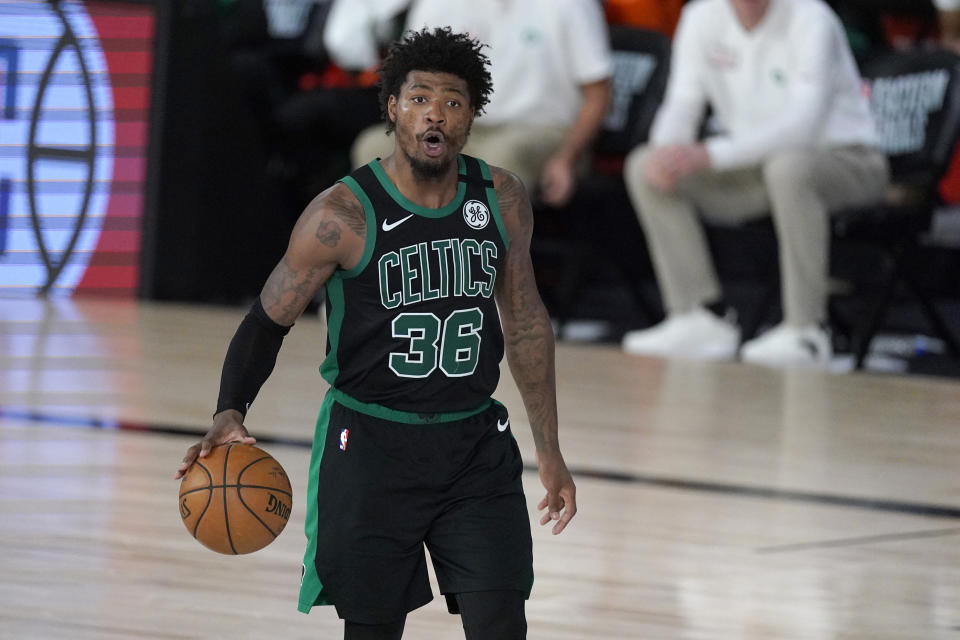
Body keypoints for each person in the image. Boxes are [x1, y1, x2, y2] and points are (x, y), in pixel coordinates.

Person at [174, 27, 576, 640]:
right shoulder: (342, 215)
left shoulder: (500, 197)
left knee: (501, 623)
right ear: (392, 108)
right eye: (418, 98)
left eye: (452, 101)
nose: (433, 114)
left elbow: (523, 322)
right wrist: (230, 409)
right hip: (368, 450)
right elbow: (268, 319)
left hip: (473, 447)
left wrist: (548, 447)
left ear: (470, 117)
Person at [620, 0, 890, 368]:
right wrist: (667, 151)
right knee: (643, 166)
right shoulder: (700, 18)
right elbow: (683, 101)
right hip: (756, 164)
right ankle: (699, 316)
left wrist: (711, 154)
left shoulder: (812, 18)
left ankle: (807, 330)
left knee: (789, 169)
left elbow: (803, 125)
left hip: (848, 159)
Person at [349, 0, 613, 208]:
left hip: (545, 132)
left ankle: (476, 268)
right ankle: (391, 259)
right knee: (374, 146)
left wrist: (566, 160)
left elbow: (598, 95)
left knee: (496, 161)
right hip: (459, 126)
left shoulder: (571, 4)